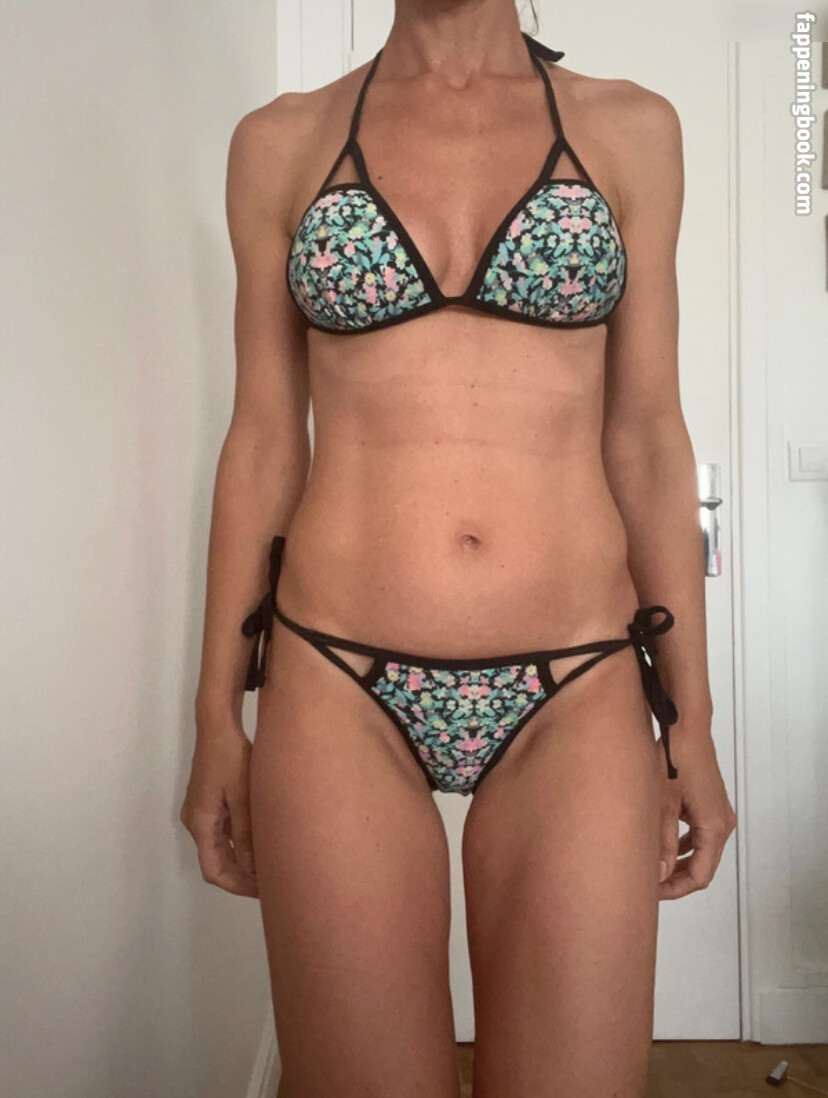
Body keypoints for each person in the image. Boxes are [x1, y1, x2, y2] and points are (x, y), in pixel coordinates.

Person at [180, 1, 737, 1094]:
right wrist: (212, 719)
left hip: (578, 681)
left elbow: (648, 439)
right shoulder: (280, 141)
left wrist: (694, 726)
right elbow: (261, 443)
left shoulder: (631, 129)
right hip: (335, 677)